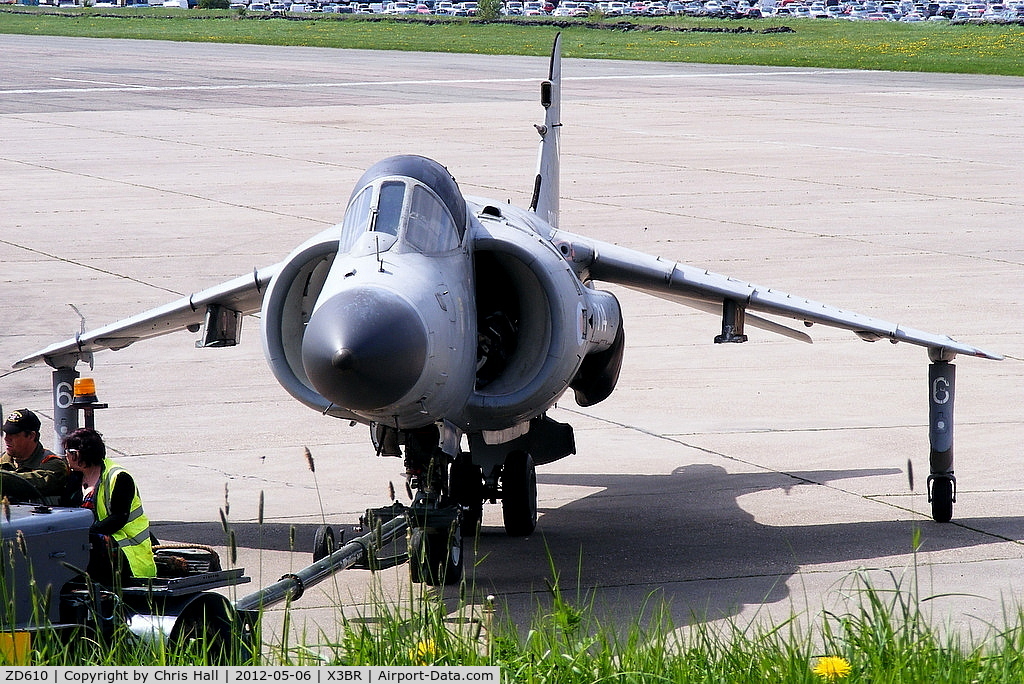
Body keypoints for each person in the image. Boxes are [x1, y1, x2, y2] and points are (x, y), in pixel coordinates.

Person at [63, 427, 157, 584]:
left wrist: (85, 533)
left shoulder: (118, 477)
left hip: (127, 548)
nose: (65, 456)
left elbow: (118, 518)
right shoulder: (75, 477)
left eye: (67, 451)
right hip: (89, 544)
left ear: (78, 453)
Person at [1, 408, 69, 506]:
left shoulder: (53, 464)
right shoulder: (3, 461)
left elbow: (29, 483)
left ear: (31, 436)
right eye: (6, 433)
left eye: (13, 434)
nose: (7, 438)